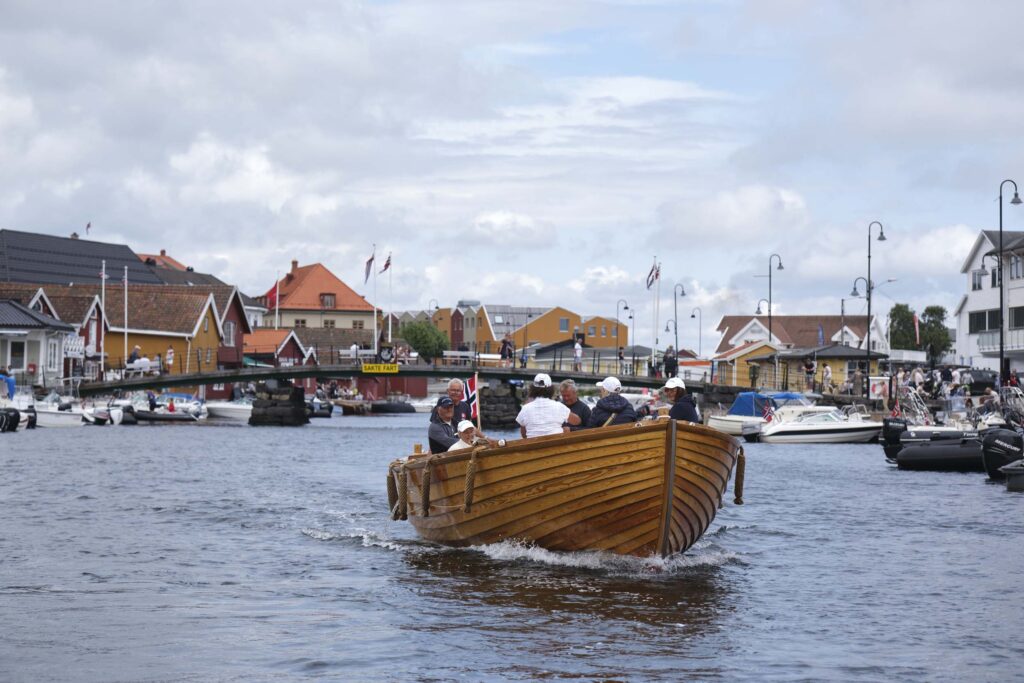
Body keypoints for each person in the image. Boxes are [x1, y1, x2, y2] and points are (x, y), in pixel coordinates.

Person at [516, 373, 581, 438]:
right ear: (551, 389)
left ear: (532, 389)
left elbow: (524, 434)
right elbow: (577, 421)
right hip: (556, 445)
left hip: (535, 446)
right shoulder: (559, 406)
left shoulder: (525, 408)